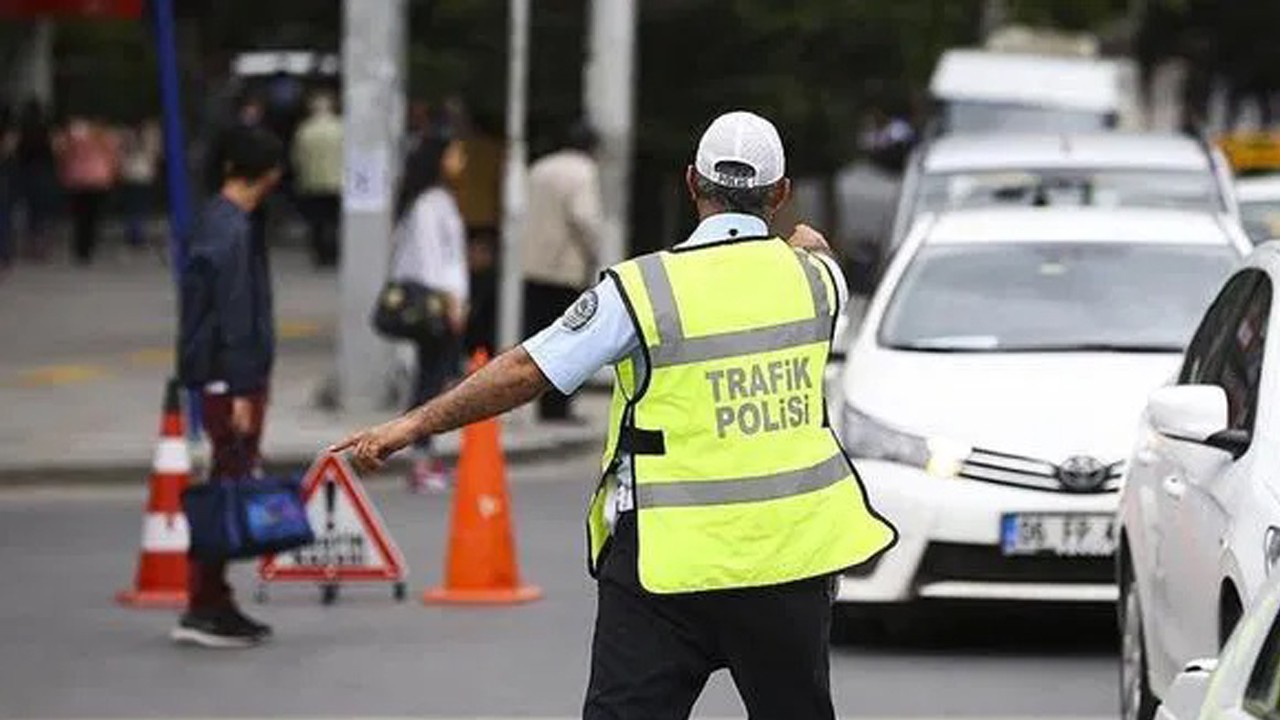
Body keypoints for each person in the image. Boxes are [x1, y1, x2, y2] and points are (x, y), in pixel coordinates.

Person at [333, 111, 897, 719]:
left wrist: (413, 425)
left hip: (664, 567)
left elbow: (527, 370)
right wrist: (807, 244)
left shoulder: (641, 291)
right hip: (787, 564)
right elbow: (815, 252)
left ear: (691, 182)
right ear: (780, 193)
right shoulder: (818, 283)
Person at [175, 126, 284, 648]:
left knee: (228, 482)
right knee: (226, 488)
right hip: (230, 380)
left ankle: (214, 598)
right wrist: (241, 389)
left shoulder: (217, 220)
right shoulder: (233, 229)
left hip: (221, 375)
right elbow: (235, 314)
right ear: (270, 174)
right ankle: (205, 604)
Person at [388, 125, 469, 492]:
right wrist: (451, 301)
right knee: (430, 381)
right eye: (455, 153)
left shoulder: (437, 199)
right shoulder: (429, 203)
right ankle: (419, 458)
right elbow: (431, 259)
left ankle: (425, 455)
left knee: (434, 378)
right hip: (436, 304)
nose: (461, 161)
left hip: (444, 301)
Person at [519, 121, 604, 422]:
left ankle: (541, 404)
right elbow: (584, 216)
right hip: (566, 267)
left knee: (540, 338)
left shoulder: (539, 168)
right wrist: (594, 250)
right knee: (569, 339)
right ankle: (559, 408)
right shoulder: (584, 171)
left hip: (533, 265)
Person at [57, 115, 119, 265]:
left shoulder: (74, 137)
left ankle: (81, 248)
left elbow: (63, 155)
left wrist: (63, 174)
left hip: (77, 180)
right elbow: (112, 158)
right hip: (98, 180)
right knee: (93, 216)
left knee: (80, 217)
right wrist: (113, 175)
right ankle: (88, 247)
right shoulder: (105, 137)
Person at [291, 92, 343, 268]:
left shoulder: (304, 130)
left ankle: (320, 253)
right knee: (336, 220)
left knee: (317, 221)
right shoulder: (341, 128)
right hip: (337, 182)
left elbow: (297, 158)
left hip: (312, 182)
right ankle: (334, 252)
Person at [13, 99, 57, 261]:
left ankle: (30, 245)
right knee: (42, 211)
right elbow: (52, 153)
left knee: (30, 210)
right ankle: (41, 247)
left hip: (26, 172)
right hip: (43, 172)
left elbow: (18, 153)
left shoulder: (22, 130)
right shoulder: (45, 130)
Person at [118, 118, 162, 251]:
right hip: (142, 174)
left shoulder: (127, 135)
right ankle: (137, 233)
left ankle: (133, 232)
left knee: (132, 205)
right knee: (140, 205)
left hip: (130, 174)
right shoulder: (149, 136)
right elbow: (155, 154)